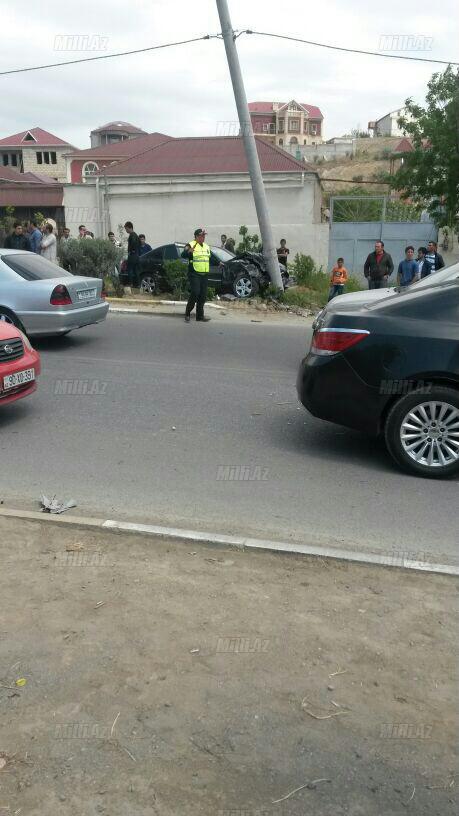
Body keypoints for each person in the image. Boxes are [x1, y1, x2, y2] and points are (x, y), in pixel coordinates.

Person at [183, 228, 211, 323]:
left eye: (204, 236)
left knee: (202, 296)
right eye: (201, 235)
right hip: (194, 273)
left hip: (204, 274)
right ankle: (187, 313)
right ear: (196, 236)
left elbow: (210, 258)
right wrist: (188, 252)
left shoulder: (206, 246)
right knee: (195, 292)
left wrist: (219, 262)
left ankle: (200, 316)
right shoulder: (190, 244)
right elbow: (183, 254)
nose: (203, 237)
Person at [124, 221, 140, 288]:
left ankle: (131, 284)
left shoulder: (132, 235)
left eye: (126, 229)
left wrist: (131, 251)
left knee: (129, 270)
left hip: (132, 255)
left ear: (129, 227)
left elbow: (133, 243)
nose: (126, 230)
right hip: (136, 255)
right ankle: (138, 284)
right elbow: (139, 243)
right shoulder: (136, 235)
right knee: (136, 270)